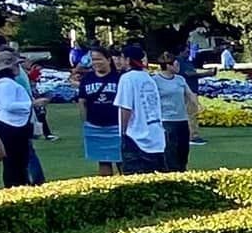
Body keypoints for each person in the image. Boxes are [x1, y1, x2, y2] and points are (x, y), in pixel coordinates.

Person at [0, 53, 37, 188]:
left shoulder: (2, 82)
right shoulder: (5, 83)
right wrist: (32, 104)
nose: (18, 68)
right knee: (15, 164)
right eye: (16, 65)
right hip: (11, 127)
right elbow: (8, 105)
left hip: (11, 126)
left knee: (16, 164)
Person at [115, 44, 166, 174]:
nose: (118, 61)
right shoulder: (148, 78)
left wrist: (123, 132)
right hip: (156, 135)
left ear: (127, 60)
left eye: (121, 58)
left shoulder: (127, 78)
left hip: (136, 136)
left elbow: (125, 108)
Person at [77, 46, 124, 176]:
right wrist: (85, 122)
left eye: (99, 59)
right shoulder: (87, 79)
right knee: (103, 162)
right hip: (95, 125)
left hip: (116, 125)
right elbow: (82, 101)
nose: (96, 62)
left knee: (122, 161)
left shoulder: (119, 78)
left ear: (108, 60)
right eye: (93, 60)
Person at [154, 50, 198, 171]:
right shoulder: (155, 80)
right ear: (168, 66)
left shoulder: (180, 79)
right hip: (166, 120)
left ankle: (182, 171)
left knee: (183, 150)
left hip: (182, 119)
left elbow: (189, 93)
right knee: (170, 151)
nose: (178, 67)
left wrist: (196, 104)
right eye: (176, 64)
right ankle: (171, 174)